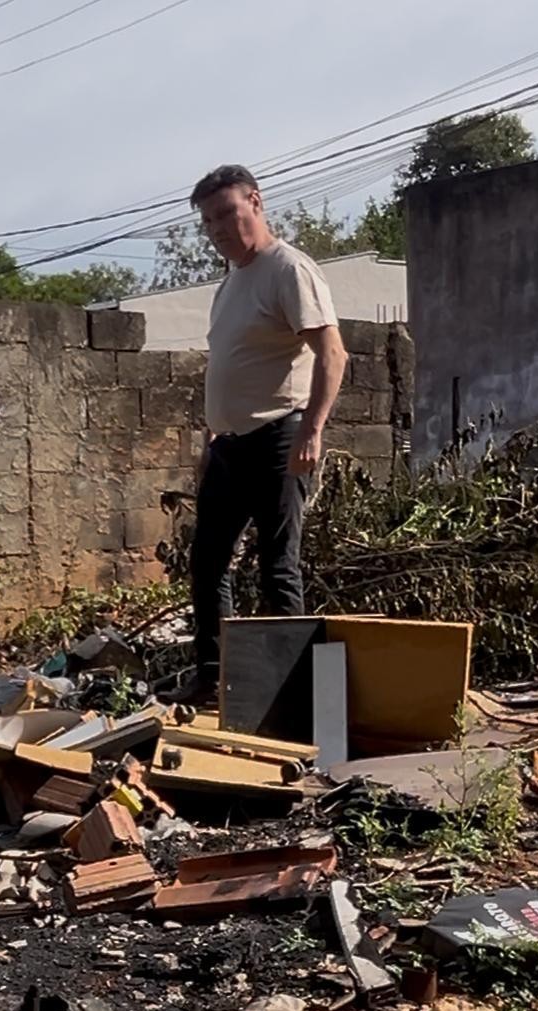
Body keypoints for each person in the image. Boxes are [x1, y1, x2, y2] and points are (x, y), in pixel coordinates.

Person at [163, 164, 349, 706]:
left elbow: (332, 354)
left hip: (277, 438)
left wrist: (312, 431)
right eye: (209, 220)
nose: (218, 227)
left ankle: (287, 692)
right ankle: (214, 675)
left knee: (276, 564)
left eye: (226, 213)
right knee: (208, 562)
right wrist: (209, 443)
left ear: (255, 203)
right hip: (229, 447)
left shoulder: (288, 269)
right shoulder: (229, 284)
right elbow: (229, 367)